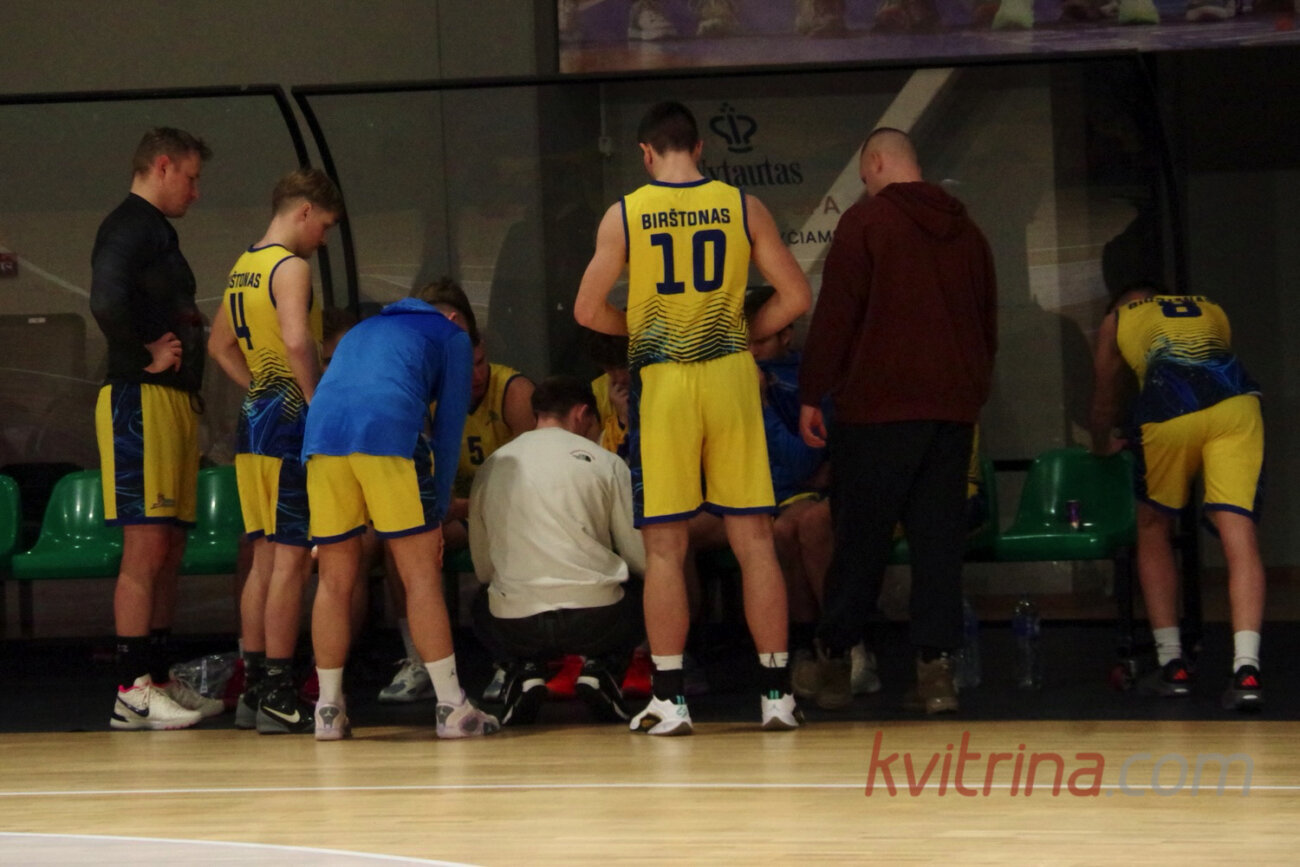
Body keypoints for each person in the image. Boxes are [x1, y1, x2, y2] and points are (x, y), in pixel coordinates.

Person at [575, 100, 812, 734]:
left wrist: (641, 331)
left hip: (666, 382)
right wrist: (744, 333)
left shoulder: (626, 213)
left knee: (665, 546)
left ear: (645, 153)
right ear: (701, 148)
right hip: (731, 374)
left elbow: (587, 309)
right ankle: (776, 696)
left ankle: (670, 699)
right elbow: (796, 295)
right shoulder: (743, 206)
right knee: (754, 540)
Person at [798, 127, 997, 714]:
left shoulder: (866, 223)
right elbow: (987, 321)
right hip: (951, 411)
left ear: (879, 162)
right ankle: (936, 675)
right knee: (939, 546)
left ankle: (836, 666)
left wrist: (812, 391)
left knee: (860, 541)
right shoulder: (969, 232)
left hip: (878, 409)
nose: (866, 186)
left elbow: (837, 314)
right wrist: (971, 392)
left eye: (865, 175)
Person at [301, 295, 499, 740]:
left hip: (322, 438)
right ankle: (452, 708)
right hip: (387, 433)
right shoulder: (452, 336)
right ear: (453, 318)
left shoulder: (362, 330)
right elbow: (449, 427)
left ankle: (328, 710)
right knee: (420, 575)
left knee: (333, 580)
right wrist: (439, 506)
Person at [90, 127, 224, 731]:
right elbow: (104, 301)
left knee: (168, 546)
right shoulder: (127, 225)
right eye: (191, 178)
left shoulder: (153, 231)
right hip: (137, 401)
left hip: (168, 402)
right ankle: (131, 689)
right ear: (163, 166)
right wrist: (146, 349)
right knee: (145, 547)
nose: (196, 192)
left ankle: (159, 678)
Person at [208, 168, 344, 734]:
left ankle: (255, 687)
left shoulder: (244, 266)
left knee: (263, 560)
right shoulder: (290, 268)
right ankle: (279, 692)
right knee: (290, 561)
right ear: (305, 210)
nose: (324, 239)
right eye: (325, 226)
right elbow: (295, 340)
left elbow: (219, 345)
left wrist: (260, 390)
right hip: (289, 425)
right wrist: (316, 402)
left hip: (254, 424)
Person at [1090, 283, 1265, 711]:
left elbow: (1105, 398)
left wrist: (1101, 443)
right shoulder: (1210, 307)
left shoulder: (1118, 319)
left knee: (1153, 525)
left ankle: (1172, 665)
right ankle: (1247, 669)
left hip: (1170, 403)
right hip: (1238, 405)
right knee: (1238, 531)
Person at [378, 278, 537, 704]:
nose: (475, 373)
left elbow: (538, 482)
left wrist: (465, 506)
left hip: (512, 509)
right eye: (468, 363)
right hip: (463, 511)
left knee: (511, 538)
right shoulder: (426, 396)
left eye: (480, 362)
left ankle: (513, 659)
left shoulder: (514, 392)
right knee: (401, 544)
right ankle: (419, 658)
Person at [468, 376, 646, 726]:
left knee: (481, 602)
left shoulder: (492, 464)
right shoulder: (606, 462)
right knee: (648, 589)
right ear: (582, 414)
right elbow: (638, 557)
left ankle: (525, 670)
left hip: (514, 624)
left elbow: (484, 568)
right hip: (596, 620)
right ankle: (601, 670)